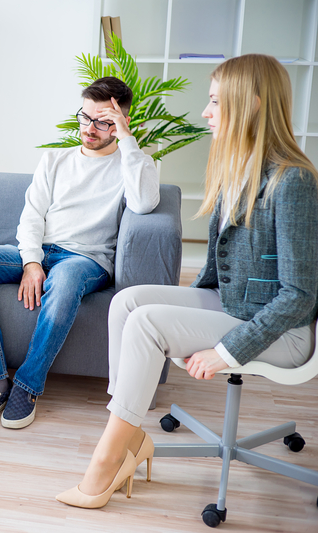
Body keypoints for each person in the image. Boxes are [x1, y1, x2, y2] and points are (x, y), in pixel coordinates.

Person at [57, 54, 318, 509]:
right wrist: (185, 305)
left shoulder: (291, 181)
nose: (205, 111)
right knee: (129, 303)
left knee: (148, 324)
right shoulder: (237, 168)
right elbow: (218, 269)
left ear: (251, 104)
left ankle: (108, 457)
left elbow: (299, 295)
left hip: (285, 332)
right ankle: (132, 435)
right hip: (236, 304)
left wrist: (225, 351)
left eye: (215, 100)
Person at [0, 76, 160, 430]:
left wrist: (127, 141)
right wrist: (31, 262)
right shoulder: (55, 161)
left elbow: (144, 202)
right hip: (41, 251)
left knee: (64, 281)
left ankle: (27, 385)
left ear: (123, 124)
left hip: (85, 260)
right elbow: (31, 217)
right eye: (85, 117)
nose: (90, 128)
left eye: (104, 122)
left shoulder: (132, 164)